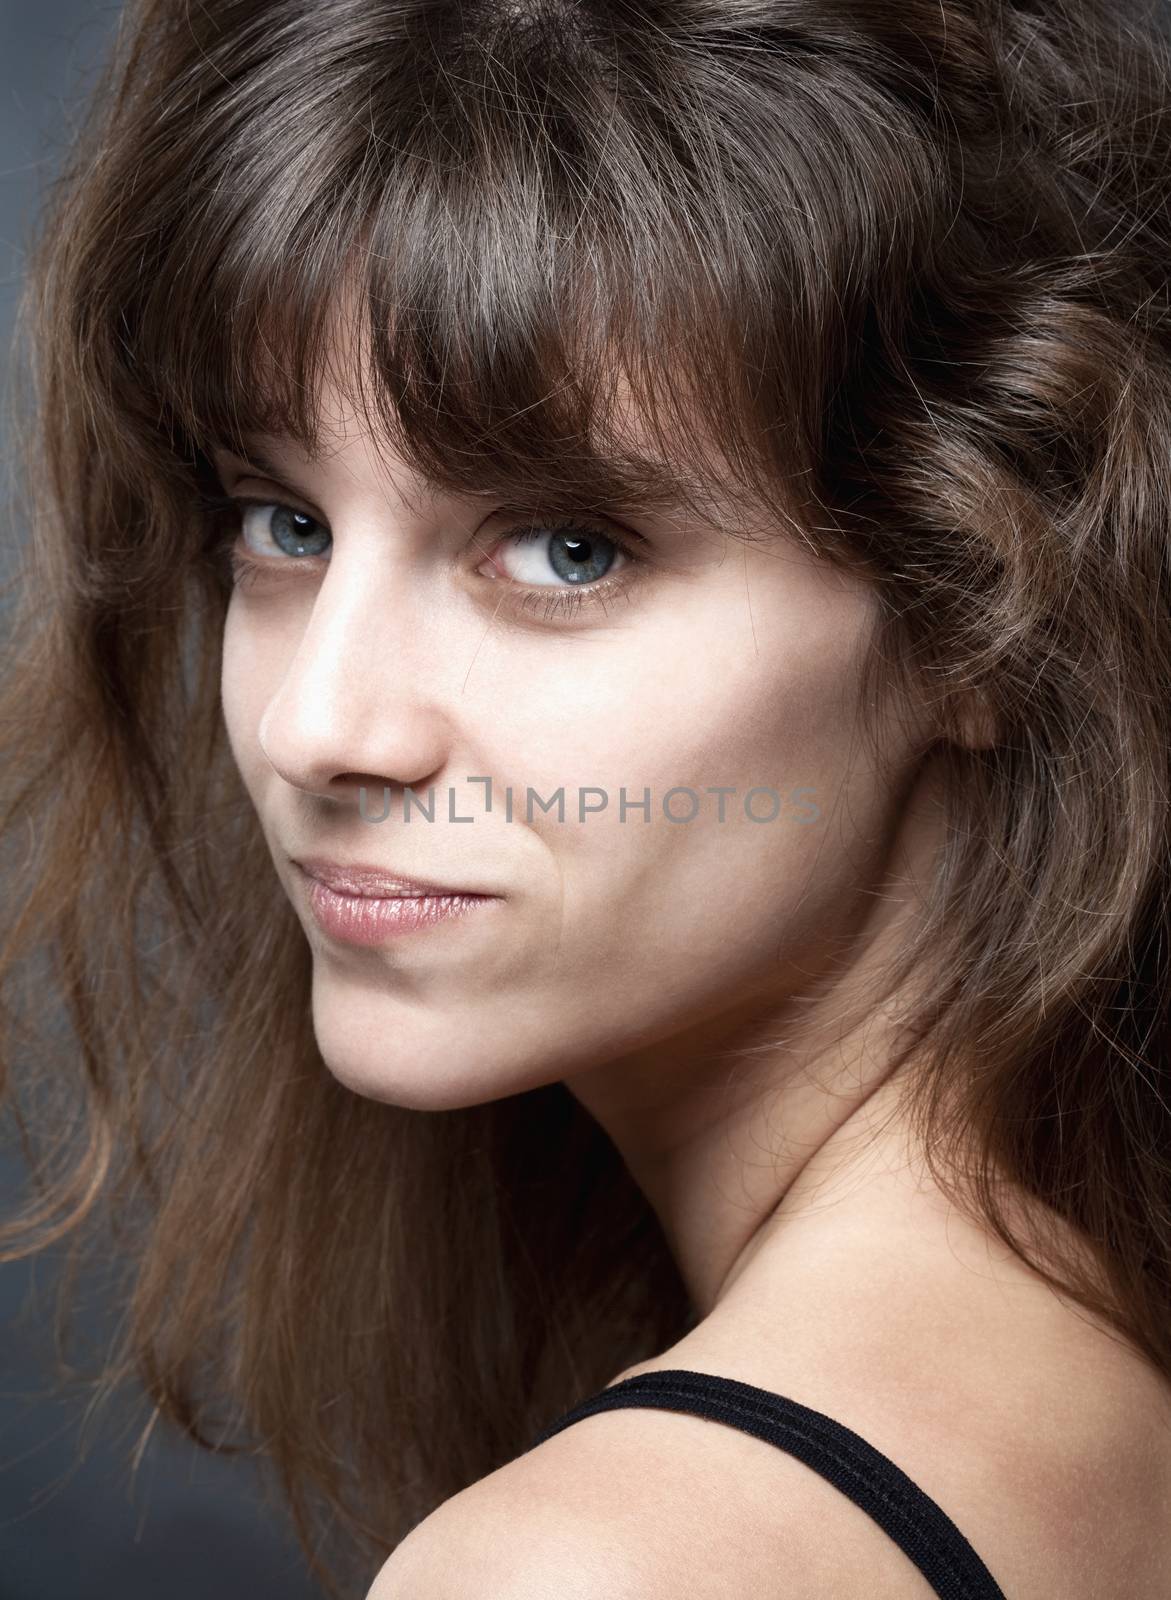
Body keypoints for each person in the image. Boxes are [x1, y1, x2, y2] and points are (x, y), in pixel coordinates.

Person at [3, 0, 1171, 1595]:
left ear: (983, 621)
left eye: (567, 548)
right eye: (282, 521)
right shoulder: (1089, 1366)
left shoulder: (601, 1565)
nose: (317, 723)